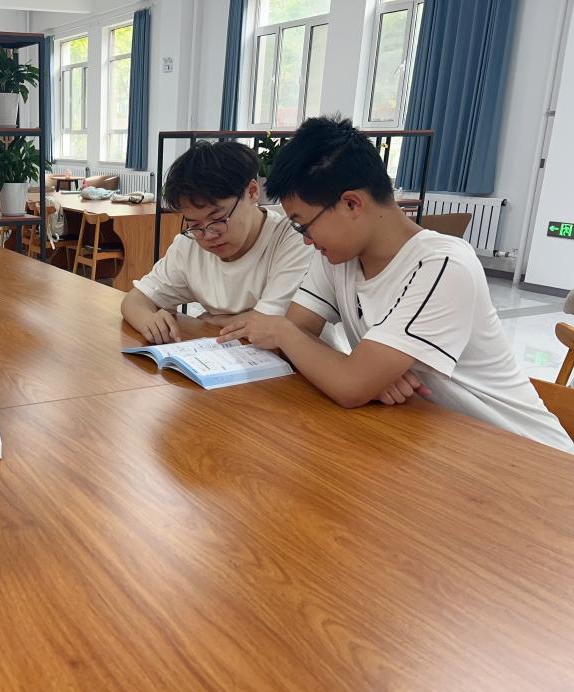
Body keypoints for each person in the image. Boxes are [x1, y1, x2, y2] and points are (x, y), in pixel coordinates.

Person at [217, 116, 572, 453]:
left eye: (304, 225)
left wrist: (294, 339)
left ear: (351, 203)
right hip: (434, 441)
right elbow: (302, 346)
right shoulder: (337, 258)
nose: (306, 240)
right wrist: (359, 371)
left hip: (527, 458)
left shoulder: (443, 265)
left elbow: (337, 376)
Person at [120, 140, 311, 344]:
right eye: (195, 224)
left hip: (293, 359)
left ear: (252, 192)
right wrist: (149, 321)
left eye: (218, 219)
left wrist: (212, 320)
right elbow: (135, 300)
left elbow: (271, 327)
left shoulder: (293, 238)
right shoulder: (189, 244)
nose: (209, 235)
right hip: (228, 354)